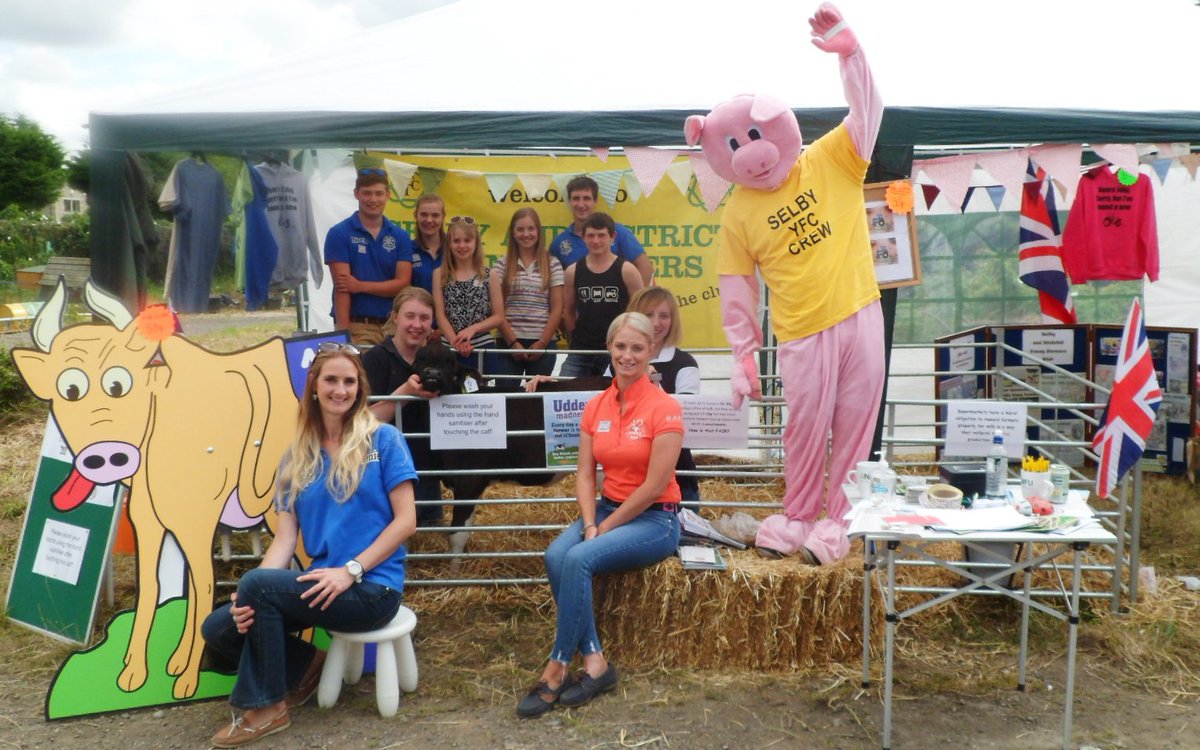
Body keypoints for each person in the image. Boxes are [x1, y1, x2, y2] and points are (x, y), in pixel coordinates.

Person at [202, 345, 417, 747]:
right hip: (320, 584)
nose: (341, 389)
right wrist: (254, 588)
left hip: (372, 588)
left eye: (349, 381)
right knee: (219, 627)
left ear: (359, 389)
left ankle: (266, 707)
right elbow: (284, 540)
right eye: (331, 380)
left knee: (256, 590)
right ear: (314, 388)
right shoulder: (295, 458)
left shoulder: (382, 440)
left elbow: (407, 521)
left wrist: (351, 570)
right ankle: (307, 665)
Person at [516, 312, 683, 718]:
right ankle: (595, 662)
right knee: (556, 555)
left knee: (578, 557)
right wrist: (591, 523)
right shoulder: (596, 406)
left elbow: (653, 487)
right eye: (620, 346)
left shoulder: (666, 408)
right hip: (607, 510)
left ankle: (556, 668)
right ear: (609, 348)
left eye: (637, 348)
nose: (627, 356)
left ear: (651, 352)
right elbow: (585, 474)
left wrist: (602, 529)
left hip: (655, 519)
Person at [362, 287, 446, 526]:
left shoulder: (439, 358)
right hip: (385, 468)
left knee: (430, 535)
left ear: (432, 323)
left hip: (428, 467)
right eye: (410, 316)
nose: (417, 325)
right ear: (395, 317)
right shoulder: (375, 359)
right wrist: (405, 393)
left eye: (424, 318)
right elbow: (364, 421)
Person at [612, 286, 701, 505]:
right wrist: (551, 382)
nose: (656, 322)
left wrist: (652, 381)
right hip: (625, 482)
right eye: (648, 314)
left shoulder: (685, 364)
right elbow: (600, 400)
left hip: (678, 480)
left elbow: (684, 417)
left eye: (664, 315)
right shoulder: (616, 362)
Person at [323, 168, 414, 345]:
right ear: (356, 194)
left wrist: (360, 286)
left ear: (387, 195)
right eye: (367, 193)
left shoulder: (400, 236)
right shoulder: (339, 233)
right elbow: (343, 288)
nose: (373, 200)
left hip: (394, 326)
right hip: (358, 325)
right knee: (361, 373)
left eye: (379, 193)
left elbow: (403, 283)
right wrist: (344, 336)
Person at [560, 212, 644, 377]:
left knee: (620, 397)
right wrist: (574, 340)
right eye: (590, 235)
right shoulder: (573, 271)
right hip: (581, 351)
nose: (596, 241)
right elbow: (568, 311)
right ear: (583, 237)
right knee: (564, 391)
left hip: (618, 350)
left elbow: (641, 311)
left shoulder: (627, 270)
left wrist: (630, 344)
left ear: (612, 236)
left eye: (601, 235)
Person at [490, 208, 564, 381]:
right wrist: (512, 343)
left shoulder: (552, 264)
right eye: (520, 229)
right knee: (507, 398)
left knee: (538, 401)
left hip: (542, 343)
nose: (526, 234)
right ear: (513, 233)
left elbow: (557, 308)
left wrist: (542, 343)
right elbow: (497, 309)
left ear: (538, 231)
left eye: (531, 229)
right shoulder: (501, 265)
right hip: (508, 343)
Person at [548, 175, 654, 286]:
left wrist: (635, 301)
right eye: (576, 198)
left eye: (586, 198)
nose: (581, 204)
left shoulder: (618, 232)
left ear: (595, 201)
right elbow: (554, 283)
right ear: (569, 202)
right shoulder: (559, 243)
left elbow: (645, 267)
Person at [433, 216, 505, 372]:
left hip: (483, 348)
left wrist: (472, 329)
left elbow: (499, 316)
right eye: (456, 241)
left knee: (487, 395)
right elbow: (440, 315)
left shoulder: (489, 274)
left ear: (476, 243)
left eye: (467, 240)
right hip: (450, 349)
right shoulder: (440, 274)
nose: (462, 245)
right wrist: (456, 341)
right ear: (449, 244)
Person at [409, 193, 445, 294]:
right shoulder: (407, 249)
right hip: (420, 309)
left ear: (443, 217)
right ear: (416, 215)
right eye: (424, 214)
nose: (429, 220)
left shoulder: (454, 248)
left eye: (435, 215)